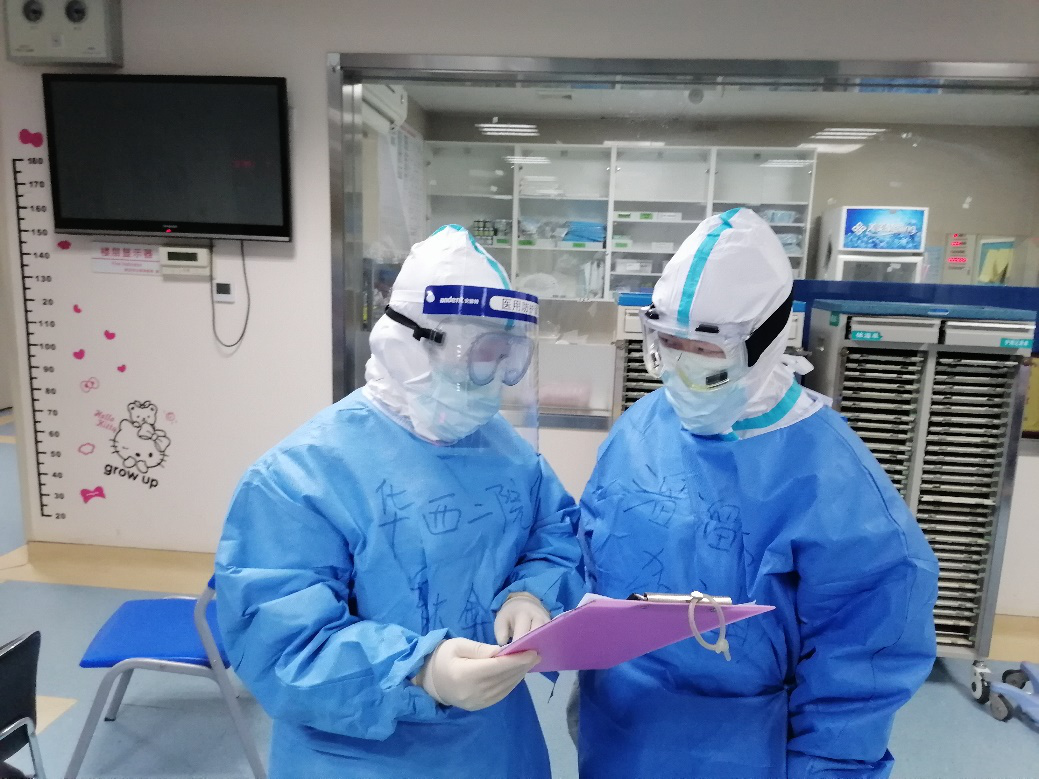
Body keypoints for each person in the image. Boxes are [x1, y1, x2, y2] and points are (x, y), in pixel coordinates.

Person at [576, 208, 939, 778]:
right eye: (669, 345)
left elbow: (865, 658)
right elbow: (592, 550)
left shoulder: (831, 477)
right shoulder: (642, 426)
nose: (681, 373)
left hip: (741, 748)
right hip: (619, 725)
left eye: (706, 353)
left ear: (767, 340)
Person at [215, 225, 584, 778]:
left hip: (496, 744)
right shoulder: (301, 478)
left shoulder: (507, 454)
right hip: (358, 753)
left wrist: (532, 592)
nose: (491, 379)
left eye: (504, 357)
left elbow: (553, 535)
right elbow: (282, 642)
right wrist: (419, 670)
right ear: (408, 348)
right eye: (476, 356)